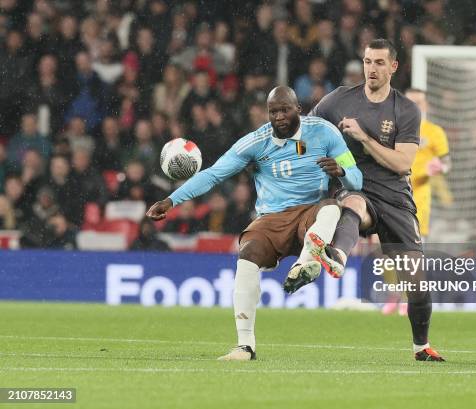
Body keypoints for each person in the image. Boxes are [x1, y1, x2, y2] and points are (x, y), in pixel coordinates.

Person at [146, 86, 362, 361]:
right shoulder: (256, 142)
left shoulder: (325, 132)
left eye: (284, 110)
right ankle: (245, 346)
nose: (279, 117)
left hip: (311, 211)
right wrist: (171, 200)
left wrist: (342, 172)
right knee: (246, 257)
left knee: (333, 207)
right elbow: (213, 174)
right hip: (271, 218)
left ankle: (305, 261)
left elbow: (357, 180)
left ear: (298, 109)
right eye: (273, 112)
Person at [290, 39, 445, 362]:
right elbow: (306, 131)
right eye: (367, 61)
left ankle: (421, 347)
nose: (371, 69)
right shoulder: (339, 100)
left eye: (378, 63)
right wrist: (302, 157)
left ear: (393, 67)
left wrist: (364, 138)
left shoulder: (406, 109)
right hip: (356, 186)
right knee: (353, 206)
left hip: (396, 197)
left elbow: (403, 163)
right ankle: (336, 256)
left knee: (416, 280)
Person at [381, 88, 451, 316]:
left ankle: (409, 298)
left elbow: (446, 162)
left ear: (426, 105)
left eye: (419, 102)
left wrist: (440, 167)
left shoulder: (434, 132)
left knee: (412, 253)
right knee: (386, 250)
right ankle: (394, 294)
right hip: (391, 195)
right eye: (411, 102)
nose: (415, 106)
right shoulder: (391, 128)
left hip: (419, 199)